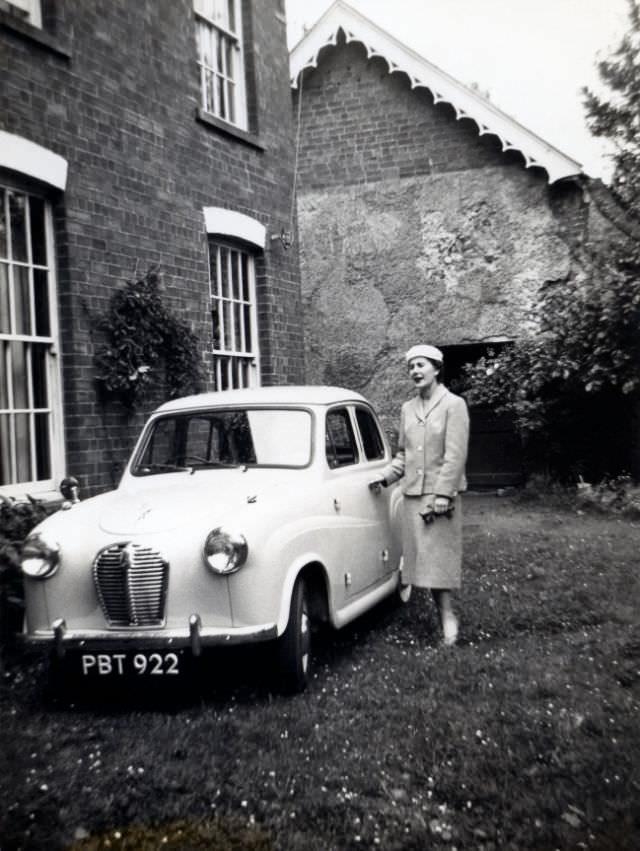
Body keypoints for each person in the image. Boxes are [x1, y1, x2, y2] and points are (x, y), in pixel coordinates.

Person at [370, 344, 470, 646]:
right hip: (413, 497)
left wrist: (444, 494)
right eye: (411, 366)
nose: (415, 371)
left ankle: (448, 618)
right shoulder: (407, 409)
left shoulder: (454, 405)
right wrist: (384, 476)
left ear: (437, 369)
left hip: (441, 501)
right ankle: (439, 615)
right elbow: (404, 454)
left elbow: (455, 456)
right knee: (421, 564)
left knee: (438, 563)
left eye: (421, 365)